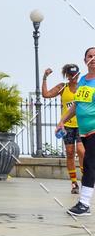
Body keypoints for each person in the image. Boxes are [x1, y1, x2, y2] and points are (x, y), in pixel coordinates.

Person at [56, 46, 95, 217]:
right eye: (90, 56)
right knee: (90, 163)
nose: (93, 58)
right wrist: (62, 121)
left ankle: (84, 203)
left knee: (88, 163)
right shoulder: (83, 81)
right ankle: (84, 203)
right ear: (85, 60)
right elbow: (77, 104)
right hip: (84, 131)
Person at [42, 63, 84, 193]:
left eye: (75, 75)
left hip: (82, 124)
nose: (73, 77)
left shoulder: (83, 87)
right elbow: (46, 94)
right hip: (67, 126)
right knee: (70, 153)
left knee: (81, 151)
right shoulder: (62, 87)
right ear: (67, 75)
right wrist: (44, 78)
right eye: (70, 75)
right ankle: (74, 184)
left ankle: (86, 177)